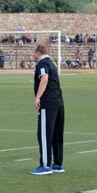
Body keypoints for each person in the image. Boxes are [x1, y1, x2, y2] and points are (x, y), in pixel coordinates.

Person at [31, 43, 65, 175]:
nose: (33, 56)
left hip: (48, 103)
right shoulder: (53, 64)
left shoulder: (42, 64)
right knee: (57, 133)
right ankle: (58, 163)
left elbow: (44, 79)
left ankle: (45, 165)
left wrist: (38, 97)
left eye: (34, 53)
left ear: (38, 53)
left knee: (44, 134)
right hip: (59, 101)